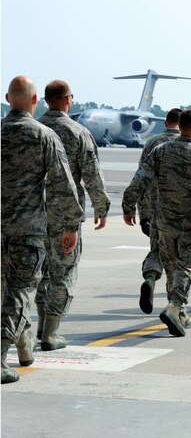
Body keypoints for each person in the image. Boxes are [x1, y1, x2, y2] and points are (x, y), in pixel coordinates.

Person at [1, 76, 82, 384]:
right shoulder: (44, 136)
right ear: (35, 101)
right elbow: (63, 185)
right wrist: (69, 225)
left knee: (2, 292)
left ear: (8, 98)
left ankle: (24, 345)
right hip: (28, 230)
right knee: (20, 292)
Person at [122, 110, 191, 337]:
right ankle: (175, 306)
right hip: (189, 223)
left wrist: (128, 206)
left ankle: (179, 312)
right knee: (187, 267)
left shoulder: (160, 151)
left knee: (172, 266)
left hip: (163, 221)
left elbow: (140, 179)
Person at [35, 80, 111, 351]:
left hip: (30, 215)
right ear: (68, 99)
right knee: (63, 272)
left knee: (38, 272)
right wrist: (101, 207)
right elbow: (92, 175)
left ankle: (42, 324)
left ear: (45, 101)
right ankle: (51, 333)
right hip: (64, 216)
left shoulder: (34, 130)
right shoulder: (78, 132)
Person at [136, 108, 182, 314]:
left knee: (157, 250)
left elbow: (141, 178)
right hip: (179, 212)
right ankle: (175, 304)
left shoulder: (151, 143)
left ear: (165, 123)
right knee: (178, 257)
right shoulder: (187, 145)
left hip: (154, 210)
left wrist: (142, 212)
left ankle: (150, 277)